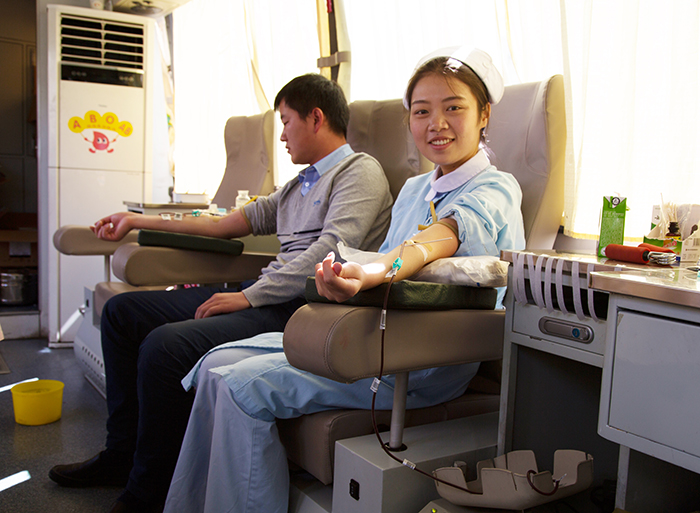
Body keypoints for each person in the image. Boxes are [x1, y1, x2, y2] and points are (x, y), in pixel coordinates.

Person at [163, 47, 525, 513]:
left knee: (237, 387)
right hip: (377, 334)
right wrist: (347, 279)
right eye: (422, 111)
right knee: (214, 364)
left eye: (453, 107)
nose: (437, 123)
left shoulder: (495, 187)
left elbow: (441, 236)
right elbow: (389, 259)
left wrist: (374, 271)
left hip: (421, 358)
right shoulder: (416, 188)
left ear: (484, 115)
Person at [48, 73, 393, 513]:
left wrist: (250, 296)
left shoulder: (359, 172)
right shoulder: (296, 186)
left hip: (304, 308)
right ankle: (121, 455)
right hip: (264, 294)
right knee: (121, 313)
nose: (282, 136)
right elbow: (220, 225)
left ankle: (147, 493)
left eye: (286, 122)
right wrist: (136, 221)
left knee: (164, 347)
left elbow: (330, 252)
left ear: (316, 118)